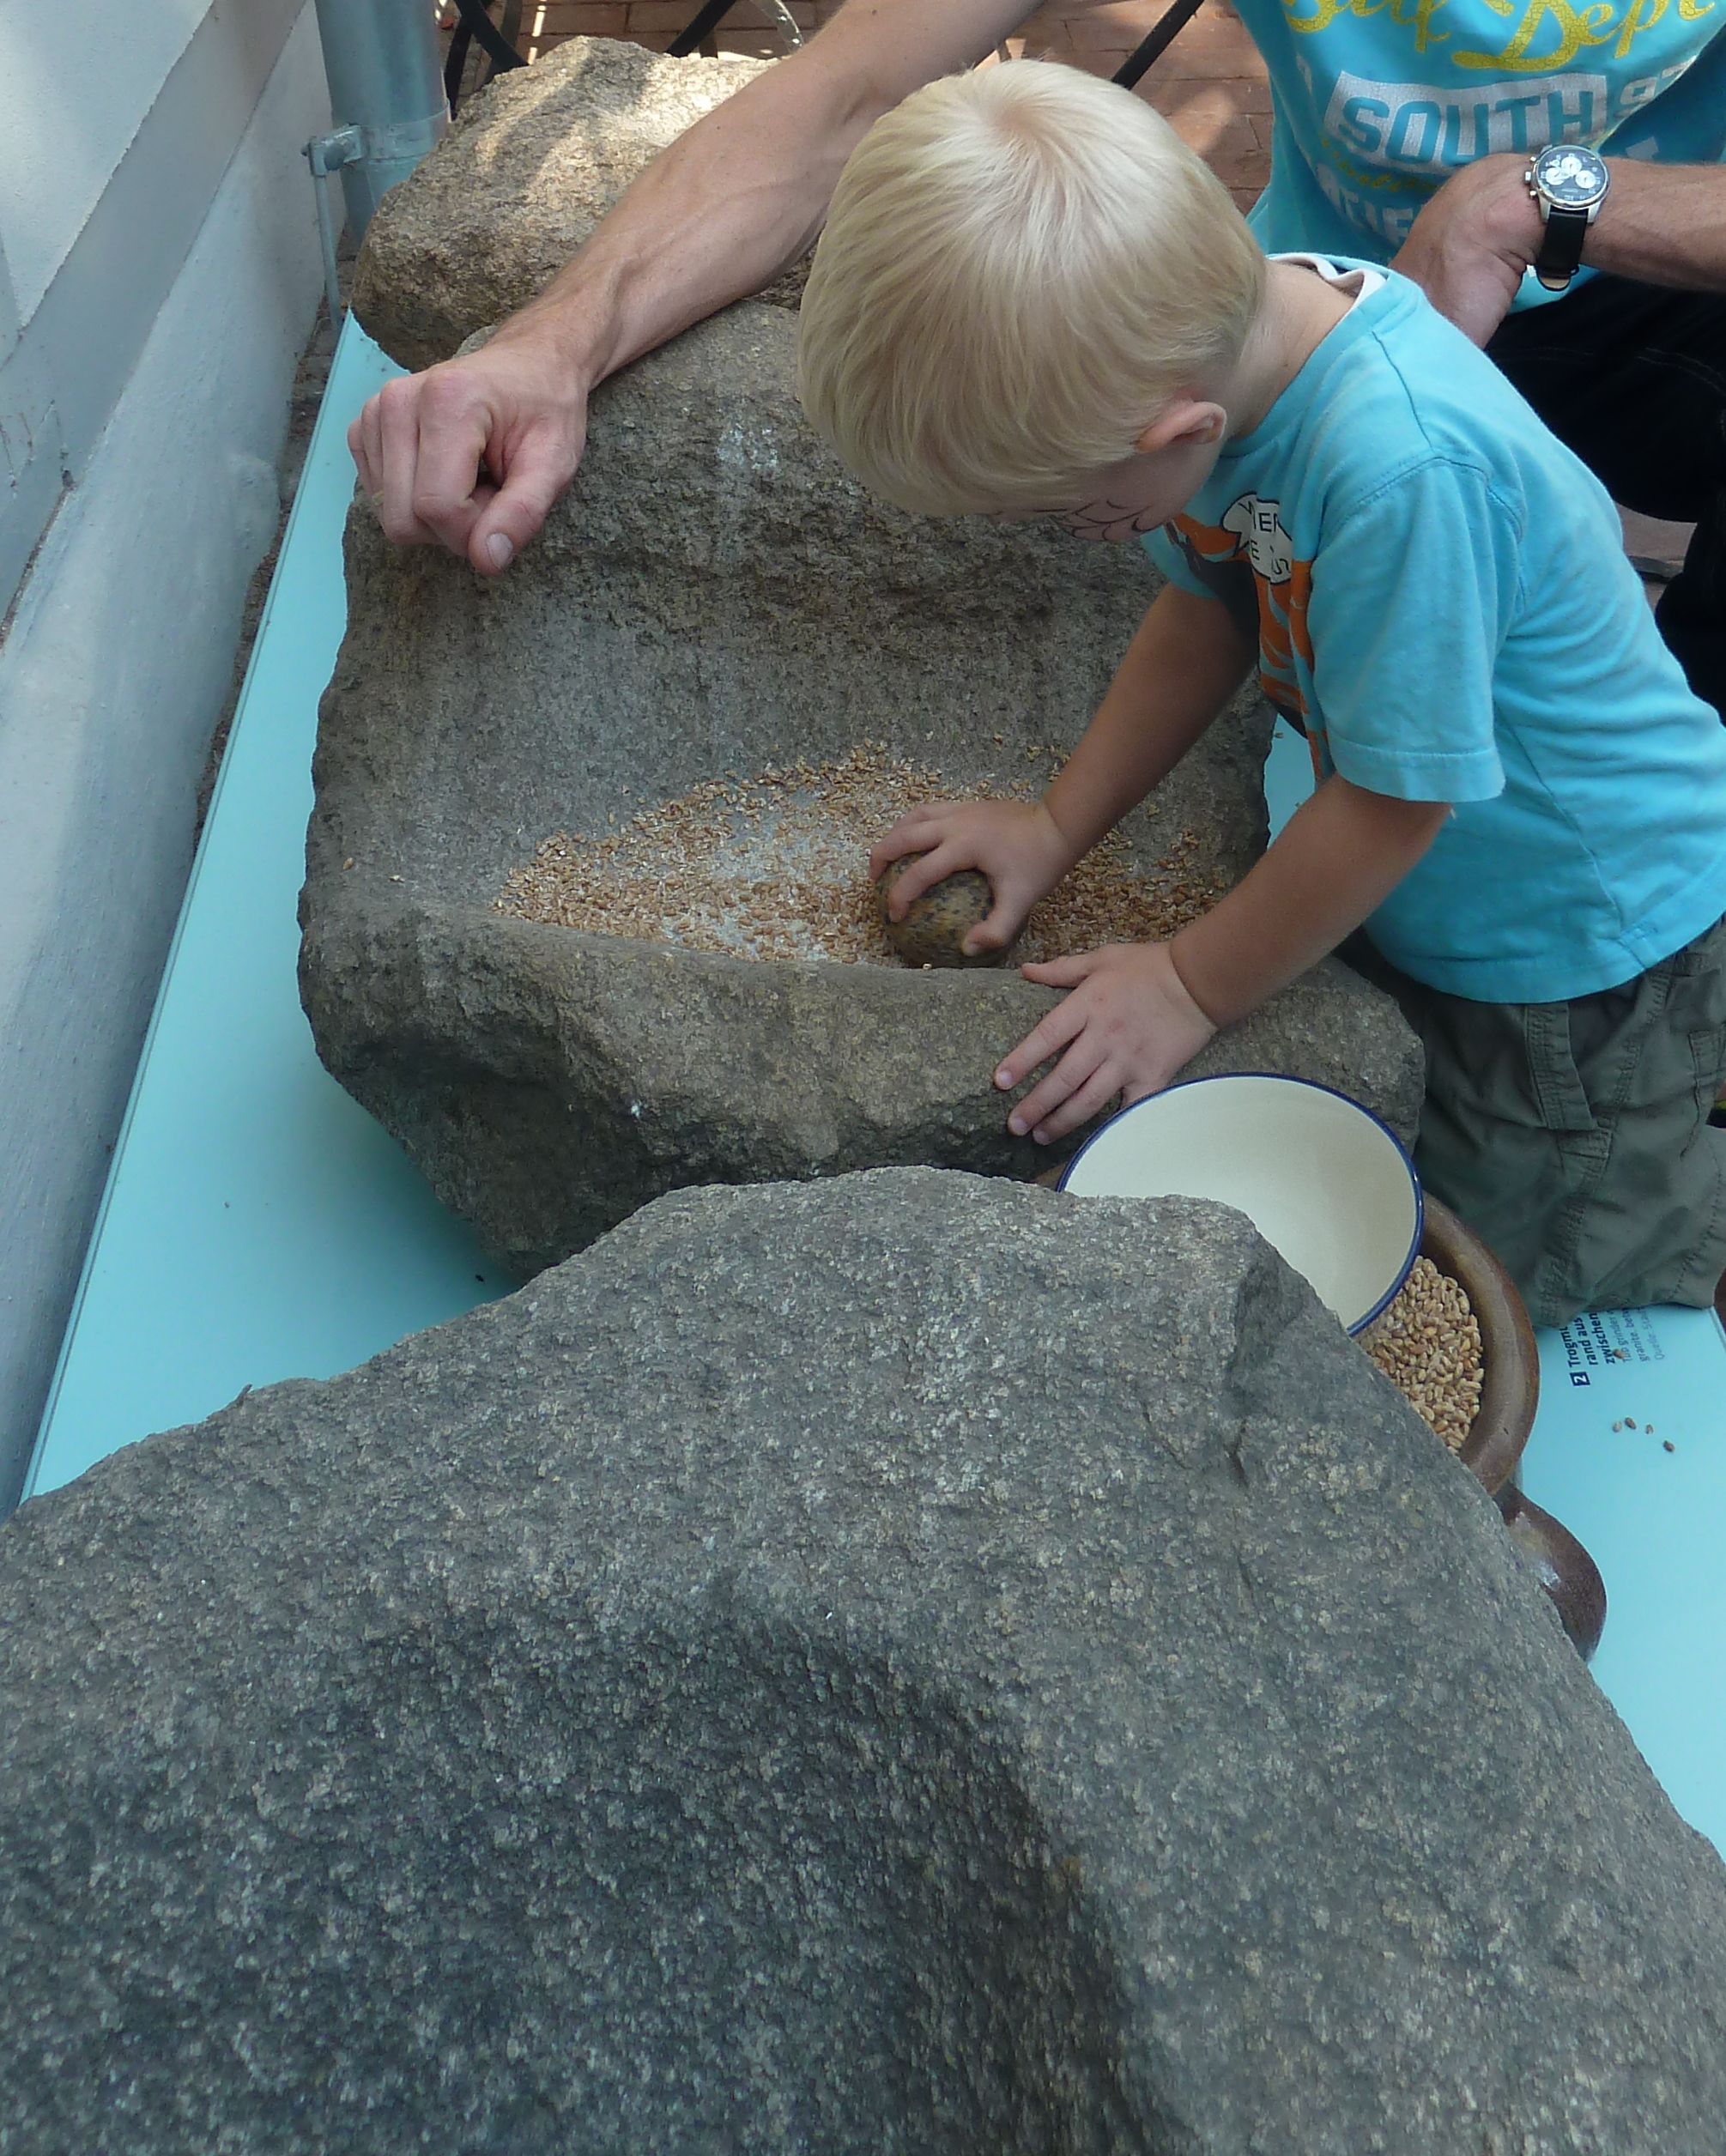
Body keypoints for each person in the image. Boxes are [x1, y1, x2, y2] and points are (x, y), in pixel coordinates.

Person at [794, 59, 1726, 1327]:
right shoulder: (1249, 351)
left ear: (1176, 437)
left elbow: (1397, 807)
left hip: (1577, 945)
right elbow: (1211, 601)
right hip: (1456, 888)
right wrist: (1057, 825)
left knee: (1534, 1241)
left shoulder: (1404, 473)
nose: (1076, 536)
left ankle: (1680, 1211)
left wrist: (1187, 984)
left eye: (1069, 511)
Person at [349, 0, 1726, 714]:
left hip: (1663, 277)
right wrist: (555, 340)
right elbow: (848, 93)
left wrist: (1553, 201)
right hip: (1335, 298)